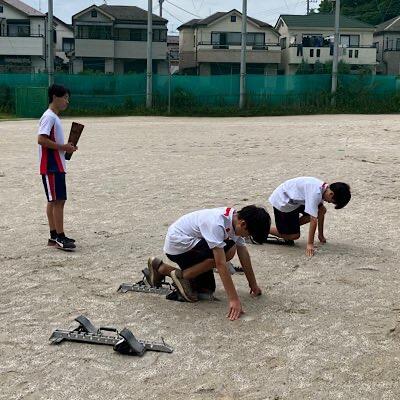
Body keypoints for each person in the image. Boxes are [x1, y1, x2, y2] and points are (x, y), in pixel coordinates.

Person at [148, 206, 271, 321]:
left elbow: (243, 254)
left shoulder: (235, 220)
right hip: (179, 247)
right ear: (243, 224)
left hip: (191, 243)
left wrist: (253, 285)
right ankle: (182, 276)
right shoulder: (217, 224)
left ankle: (160, 268)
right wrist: (234, 300)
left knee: (206, 290)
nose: (246, 237)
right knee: (228, 250)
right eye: (248, 234)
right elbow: (220, 264)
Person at [37, 84, 77, 250]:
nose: (67, 101)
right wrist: (63, 147)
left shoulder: (53, 117)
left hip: (56, 165)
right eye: (65, 97)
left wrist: (67, 148)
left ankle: (54, 236)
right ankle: (60, 237)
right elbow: (41, 139)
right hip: (51, 166)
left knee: (53, 201)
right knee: (58, 201)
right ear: (55, 96)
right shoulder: (49, 117)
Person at [268, 177, 351, 256]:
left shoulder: (324, 188)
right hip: (282, 202)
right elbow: (313, 220)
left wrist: (321, 236)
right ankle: (264, 228)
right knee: (294, 236)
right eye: (331, 201)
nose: (329, 202)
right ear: (331, 194)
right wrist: (310, 244)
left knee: (321, 210)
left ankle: (291, 227)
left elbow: (320, 212)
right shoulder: (315, 193)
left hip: (294, 201)